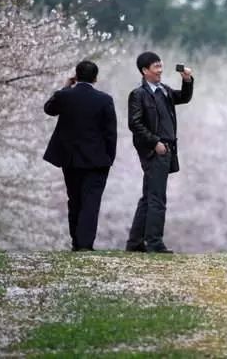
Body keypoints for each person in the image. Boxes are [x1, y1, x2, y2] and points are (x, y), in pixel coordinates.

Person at [43, 60, 117, 251]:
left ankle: (76, 243)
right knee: (91, 202)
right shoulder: (104, 99)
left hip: (70, 159)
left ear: (76, 76)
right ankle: (85, 244)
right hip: (97, 160)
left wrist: (66, 86)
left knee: (74, 200)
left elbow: (49, 109)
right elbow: (111, 133)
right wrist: (110, 158)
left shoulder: (64, 96)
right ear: (95, 78)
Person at [125, 51, 194, 254]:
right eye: (156, 67)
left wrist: (187, 80)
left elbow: (184, 98)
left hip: (168, 148)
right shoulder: (138, 94)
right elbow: (134, 123)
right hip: (154, 150)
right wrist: (155, 142)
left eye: (161, 66)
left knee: (149, 196)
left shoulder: (163, 89)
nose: (160, 70)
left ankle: (135, 243)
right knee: (157, 198)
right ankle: (154, 243)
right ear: (144, 71)